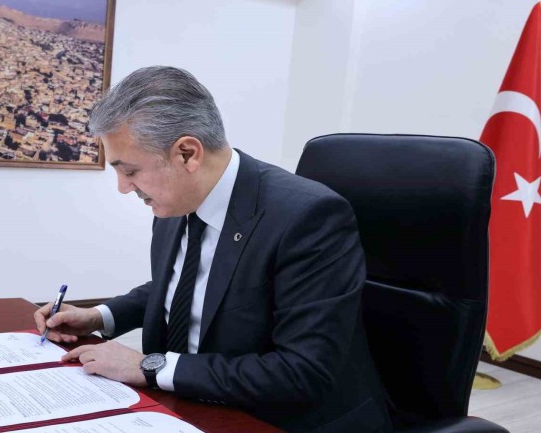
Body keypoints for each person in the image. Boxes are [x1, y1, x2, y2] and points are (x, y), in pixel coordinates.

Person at [34, 66, 392, 433]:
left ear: (187, 154)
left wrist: (148, 366)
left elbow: (302, 371)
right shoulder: (176, 201)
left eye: (130, 171)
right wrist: (99, 316)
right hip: (184, 406)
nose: (124, 188)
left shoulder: (307, 217)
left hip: (279, 420)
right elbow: (182, 288)